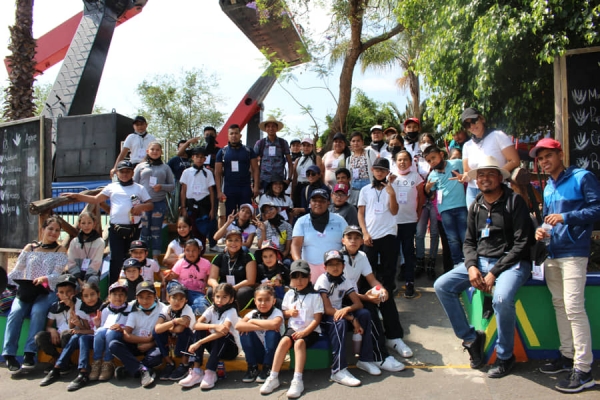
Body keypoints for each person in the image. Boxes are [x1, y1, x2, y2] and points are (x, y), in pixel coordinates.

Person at [433, 156, 533, 378]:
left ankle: (506, 357)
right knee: (442, 285)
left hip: (511, 263)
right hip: (481, 261)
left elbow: (522, 243)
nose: (485, 178)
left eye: (490, 174)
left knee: (501, 298)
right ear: (476, 180)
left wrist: (494, 272)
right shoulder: (476, 204)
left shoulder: (514, 202)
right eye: (481, 175)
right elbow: (469, 242)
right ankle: (470, 338)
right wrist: (470, 266)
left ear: (500, 177)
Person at [530, 138, 600, 393]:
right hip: (553, 252)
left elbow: (598, 209)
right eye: (540, 158)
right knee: (560, 305)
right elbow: (551, 221)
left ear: (560, 154)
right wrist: (542, 231)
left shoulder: (583, 177)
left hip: (574, 253)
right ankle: (567, 356)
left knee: (573, 308)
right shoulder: (548, 186)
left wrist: (566, 217)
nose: (544, 161)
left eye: (548, 156)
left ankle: (584, 370)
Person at [63, 160, 153, 284]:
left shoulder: (139, 188)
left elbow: (150, 205)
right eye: (122, 172)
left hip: (134, 229)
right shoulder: (112, 187)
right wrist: (77, 196)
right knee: (115, 259)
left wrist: (140, 207)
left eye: (128, 171)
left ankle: (133, 285)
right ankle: (113, 287)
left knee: (131, 258)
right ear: (117, 173)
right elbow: (95, 199)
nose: (125, 174)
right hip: (116, 229)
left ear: (132, 173)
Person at [356, 158, 412, 358]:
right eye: (377, 170)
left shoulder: (391, 188)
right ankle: (371, 326)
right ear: (372, 170)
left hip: (388, 236)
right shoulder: (364, 190)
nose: (379, 173)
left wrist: (391, 194)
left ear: (387, 172)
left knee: (387, 281)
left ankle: (394, 336)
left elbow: (395, 211)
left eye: (383, 171)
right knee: (367, 281)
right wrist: (364, 233)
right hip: (370, 239)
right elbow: (361, 214)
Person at [3, 216, 68, 373]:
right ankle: (9, 354)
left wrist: (45, 278)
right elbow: (18, 270)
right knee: (16, 312)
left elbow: (58, 275)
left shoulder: (60, 251)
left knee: (38, 312)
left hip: (47, 291)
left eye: (57, 230)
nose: (53, 232)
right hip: (28, 289)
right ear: (43, 229)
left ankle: (29, 352)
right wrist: (7, 281)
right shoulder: (30, 248)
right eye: (50, 228)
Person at [340, 225, 406, 370]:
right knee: (369, 310)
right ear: (342, 240)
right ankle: (379, 357)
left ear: (362, 241)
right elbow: (341, 292)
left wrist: (382, 290)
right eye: (349, 238)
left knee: (383, 298)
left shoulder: (362, 256)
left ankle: (391, 340)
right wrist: (366, 298)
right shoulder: (338, 258)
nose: (353, 241)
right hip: (340, 301)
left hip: (354, 297)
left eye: (357, 238)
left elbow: (371, 279)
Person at [259, 260, 323, 398]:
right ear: (291, 278)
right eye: (295, 277)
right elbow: (283, 312)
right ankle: (273, 377)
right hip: (293, 328)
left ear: (309, 277)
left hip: (310, 330)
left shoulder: (315, 295)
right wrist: (289, 313)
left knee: (299, 343)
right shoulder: (289, 294)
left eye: (303, 277)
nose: (299, 281)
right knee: (283, 342)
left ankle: (297, 380)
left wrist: (305, 332)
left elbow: (317, 319)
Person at [315, 249, 377, 387]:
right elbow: (327, 309)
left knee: (365, 314)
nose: (335, 267)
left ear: (343, 266)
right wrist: (351, 318)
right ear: (325, 267)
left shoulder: (344, 279)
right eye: (331, 264)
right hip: (323, 317)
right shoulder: (323, 280)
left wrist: (347, 309)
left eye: (338, 263)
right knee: (340, 322)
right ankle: (338, 370)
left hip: (340, 312)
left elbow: (358, 303)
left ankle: (365, 359)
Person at [40, 279, 102, 390]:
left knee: (81, 337)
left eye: (92, 294)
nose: (90, 298)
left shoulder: (104, 308)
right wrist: (79, 323)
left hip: (101, 338)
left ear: (98, 294)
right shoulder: (83, 310)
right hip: (90, 336)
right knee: (76, 336)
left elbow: (99, 331)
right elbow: (80, 327)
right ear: (82, 298)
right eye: (86, 296)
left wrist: (82, 330)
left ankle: (83, 372)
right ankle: (57, 368)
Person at [459, 107, 520, 206]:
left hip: (496, 188)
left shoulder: (498, 136)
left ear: (482, 119)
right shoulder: (467, 145)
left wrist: (495, 176)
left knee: (497, 220)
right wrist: (464, 177)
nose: (472, 126)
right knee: (475, 221)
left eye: (474, 121)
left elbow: (514, 160)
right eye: (467, 124)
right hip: (473, 191)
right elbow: (467, 170)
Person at [185, 283, 241, 390]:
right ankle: (196, 370)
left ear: (231, 299)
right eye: (218, 297)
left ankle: (210, 371)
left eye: (224, 297)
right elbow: (195, 324)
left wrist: (199, 342)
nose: (220, 300)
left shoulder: (232, 311)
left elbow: (223, 331)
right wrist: (213, 325)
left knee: (222, 334)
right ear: (213, 298)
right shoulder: (212, 309)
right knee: (200, 329)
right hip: (216, 347)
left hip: (229, 349)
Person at [109, 281, 162, 387]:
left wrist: (151, 344)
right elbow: (126, 335)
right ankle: (144, 370)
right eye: (141, 297)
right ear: (136, 297)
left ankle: (130, 368)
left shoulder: (163, 309)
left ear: (155, 296)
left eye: (149, 297)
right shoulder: (133, 308)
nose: (145, 301)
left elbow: (165, 336)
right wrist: (146, 340)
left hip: (153, 345)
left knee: (157, 355)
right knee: (114, 344)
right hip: (135, 343)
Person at [423, 145, 467, 266]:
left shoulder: (457, 163)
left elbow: (469, 173)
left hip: (461, 206)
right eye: (429, 161)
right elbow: (431, 196)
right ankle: (457, 263)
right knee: (452, 240)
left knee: (465, 237)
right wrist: (427, 189)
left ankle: (468, 262)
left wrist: (464, 177)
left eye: (434, 158)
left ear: (441, 155)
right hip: (445, 211)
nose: (432, 162)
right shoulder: (432, 175)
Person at [291, 189, 348, 281]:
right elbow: (296, 245)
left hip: (335, 268)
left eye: (322, 201)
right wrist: (299, 263)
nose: (318, 203)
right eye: (314, 200)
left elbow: (348, 242)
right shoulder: (301, 221)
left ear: (328, 202)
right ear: (310, 202)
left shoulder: (340, 220)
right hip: (310, 269)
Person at [35, 274, 81, 383]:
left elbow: (71, 327)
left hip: (73, 336)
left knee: (66, 334)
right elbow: (49, 325)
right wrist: (52, 330)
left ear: (75, 292)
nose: (65, 295)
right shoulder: (55, 306)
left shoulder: (80, 304)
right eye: (61, 292)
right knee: (40, 336)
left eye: (69, 291)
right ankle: (58, 358)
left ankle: (64, 362)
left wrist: (71, 307)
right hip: (59, 336)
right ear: (57, 294)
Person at [133, 141, 175, 257]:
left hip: (159, 203)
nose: (155, 152)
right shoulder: (140, 167)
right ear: (147, 151)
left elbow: (172, 186)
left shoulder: (165, 167)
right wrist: (135, 203)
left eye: (157, 150)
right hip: (143, 204)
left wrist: (161, 186)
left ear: (161, 152)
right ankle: (143, 257)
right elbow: (134, 185)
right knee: (144, 231)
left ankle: (155, 258)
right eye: (152, 149)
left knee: (156, 231)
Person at [391, 151, 424, 295]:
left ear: (411, 162)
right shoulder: (390, 177)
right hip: (393, 222)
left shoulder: (416, 178)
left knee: (408, 252)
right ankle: (390, 283)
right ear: (395, 162)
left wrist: (417, 214)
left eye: (405, 160)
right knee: (392, 254)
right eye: (399, 160)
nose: (402, 162)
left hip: (409, 221)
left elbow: (421, 199)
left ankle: (409, 283)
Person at [236, 285, 284, 384]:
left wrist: (252, 322)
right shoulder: (252, 313)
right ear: (255, 301)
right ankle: (252, 367)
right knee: (244, 333)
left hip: (274, 354)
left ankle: (268, 367)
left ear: (273, 301)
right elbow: (238, 326)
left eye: (267, 300)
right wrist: (262, 326)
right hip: (259, 352)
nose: (263, 303)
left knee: (272, 332)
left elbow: (274, 324)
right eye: (260, 300)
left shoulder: (276, 312)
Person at [89, 280, 132, 382]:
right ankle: (97, 362)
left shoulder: (130, 309)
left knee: (110, 332)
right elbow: (101, 327)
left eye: (121, 295)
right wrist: (97, 324)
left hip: (119, 335)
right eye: (115, 295)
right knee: (100, 331)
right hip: (106, 333)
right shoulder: (105, 309)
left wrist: (122, 329)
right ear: (109, 297)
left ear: (126, 297)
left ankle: (108, 363)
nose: (118, 297)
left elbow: (131, 326)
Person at [215, 124, 260, 216]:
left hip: (245, 188)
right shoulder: (222, 152)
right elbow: (217, 172)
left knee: (246, 214)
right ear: (228, 136)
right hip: (229, 188)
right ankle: (230, 231)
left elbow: (255, 169)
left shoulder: (248, 150)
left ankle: (245, 231)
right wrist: (219, 191)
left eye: (236, 133)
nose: (234, 136)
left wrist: (256, 187)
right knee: (229, 214)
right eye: (231, 134)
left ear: (240, 135)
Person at [179, 146, 219, 253]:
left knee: (204, 228)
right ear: (192, 157)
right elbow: (183, 190)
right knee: (191, 228)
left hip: (204, 204)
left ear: (205, 159)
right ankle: (191, 251)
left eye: (202, 157)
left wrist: (212, 209)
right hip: (191, 203)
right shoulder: (187, 172)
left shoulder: (208, 173)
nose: (199, 159)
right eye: (197, 156)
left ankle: (202, 250)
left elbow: (211, 191)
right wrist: (183, 207)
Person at [154, 283, 195, 382]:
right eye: (174, 298)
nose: (177, 301)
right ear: (168, 298)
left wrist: (167, 327)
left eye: (181, 299)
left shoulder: (187, 310)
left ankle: (184, 364)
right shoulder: (166, 309)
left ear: (186, 301)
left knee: (186, 331)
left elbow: (180, 329)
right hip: (173, 337)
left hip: (189, 342)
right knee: (156, 333)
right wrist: (174, 322)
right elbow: (157, 328)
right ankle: (169, 363)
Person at [208, 229, 257, 311]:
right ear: (226, 242)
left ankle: (232, 313)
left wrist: (232, 289)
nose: (233, 243)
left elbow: (250, 280)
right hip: (223, 288)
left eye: (236, 240)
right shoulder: (219, 257)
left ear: (241, 242)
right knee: (210, 291)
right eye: (230, 240)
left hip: (240, 288)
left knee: (244, 293)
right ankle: (219, 312)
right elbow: (212, 278)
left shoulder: (248, 257)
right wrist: (217, 287)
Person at [166, 239, 211, 316]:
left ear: (199, 251)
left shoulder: (206, 263)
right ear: (184, 251)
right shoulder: (180, 262)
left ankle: (188, 316)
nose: (191, 253)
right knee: (172, 284)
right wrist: (168, 277)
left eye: (194, 250)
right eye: (188, 250)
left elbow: (209, 279)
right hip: (181, 293)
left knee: (202, 306)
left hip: (197, 293)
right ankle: (176, 311)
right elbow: (173, 277)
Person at [65, 210, 105, 285]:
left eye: (89, 223)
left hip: (92, 274)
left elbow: (96, 263)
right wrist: (79, 279)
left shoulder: (100, 242)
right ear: (79, 225)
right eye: (83, 223)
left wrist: (86, 279)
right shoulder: (74, 242)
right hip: (76, 274)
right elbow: (71, 262)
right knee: (72, 283)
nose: (86, 225)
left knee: (91, 282)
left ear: (94, 224)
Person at [254, 115, 293, 191]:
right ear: (265, 129)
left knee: (278, 202)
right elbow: (253, 164)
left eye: (273, 126)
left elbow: (290, 163)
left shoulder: (283, 143)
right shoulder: (260, 143)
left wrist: (289, 179)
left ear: (277, 128)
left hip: (279, 181)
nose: (271, 128)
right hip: (264, 180)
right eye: (268, 126)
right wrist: (255, 181)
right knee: (265, 202)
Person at [291, 137, 323, 209]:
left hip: (311, 187)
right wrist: (292, 192)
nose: (306, 147)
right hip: (299, 187)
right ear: (301, 147)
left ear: (312, 146)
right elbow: (295, 178)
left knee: (308, 208)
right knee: (298, 208)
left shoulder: (316, 158)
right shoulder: (298, 160)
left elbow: (319, 174)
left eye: (308, 145)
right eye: (304, 145)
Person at [346, 132, 377, 206]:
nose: (356, 143)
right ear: (350, 143)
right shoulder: (348, 159)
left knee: (368, 208)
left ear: (362, 142)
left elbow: (376, 169)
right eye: (353, 141)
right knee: (356, 209)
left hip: (368, 184)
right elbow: (348, 176)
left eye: (358, 141)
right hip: (354, 188)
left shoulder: (369, 153)